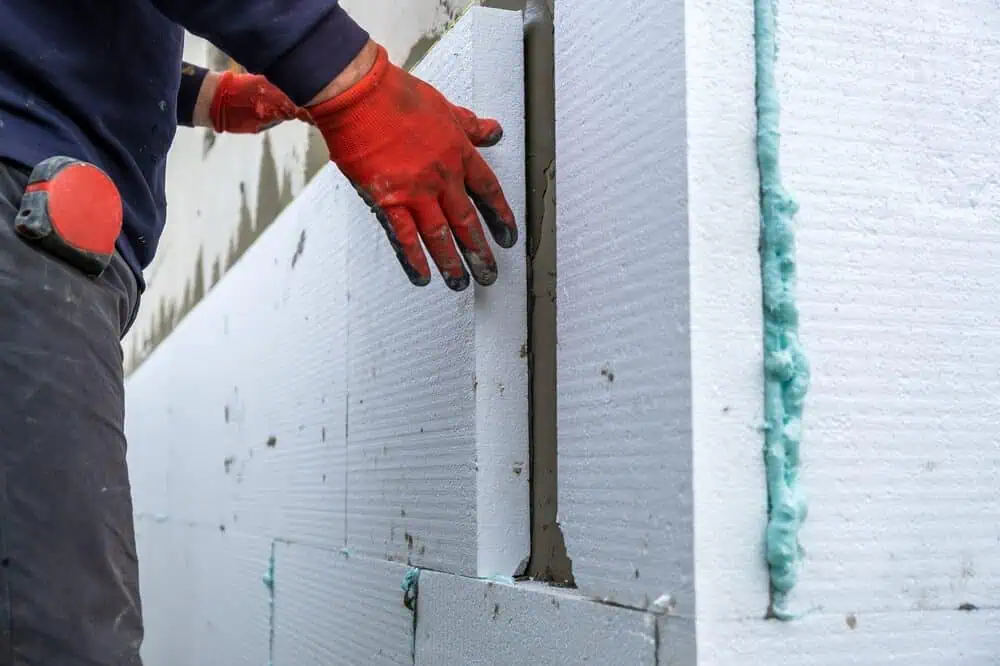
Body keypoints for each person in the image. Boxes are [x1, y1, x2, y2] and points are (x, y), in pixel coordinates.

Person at [0, 2, 517, 663]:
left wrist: (199, 95)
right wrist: (349, 78)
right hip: (25, 210)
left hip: (35, 212)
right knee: (58, 641)